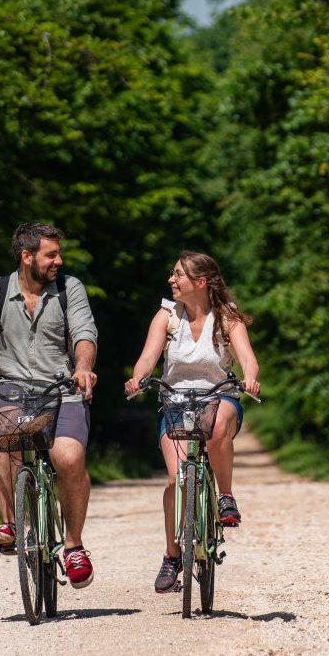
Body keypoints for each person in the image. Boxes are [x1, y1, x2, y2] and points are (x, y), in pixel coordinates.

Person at [0, 221, 99, 589]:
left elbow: (84, 333)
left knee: (68, 457)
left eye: (58, 253)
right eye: (51, 254)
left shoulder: (70, 289)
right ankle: (13, 523)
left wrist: (83, 368)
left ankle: (73, 546)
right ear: (26, 256)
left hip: (61, 389)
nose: (59, 261)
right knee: (2, 448)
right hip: (12, 388)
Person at [124, 250, 261, 594]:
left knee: (217, 431)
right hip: (175, 399)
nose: (171, 279)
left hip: (220, 395)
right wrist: (138, 378)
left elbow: (247, 359)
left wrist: (250, 378)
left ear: (200, 282)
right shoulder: (166, 316)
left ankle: (226, 497)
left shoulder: (228, 318)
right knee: (176, 479)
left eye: (178, 274)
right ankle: (172, 555)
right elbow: (148, 358)